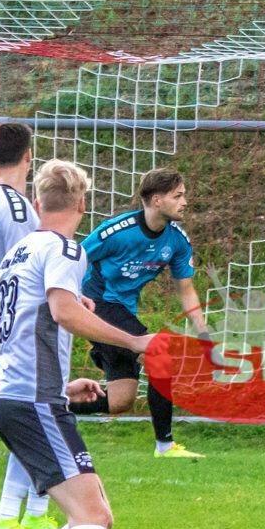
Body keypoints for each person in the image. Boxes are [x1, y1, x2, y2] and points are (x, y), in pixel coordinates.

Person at [0, 159, 162, 529]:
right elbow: (65, 312)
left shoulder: (21, 250)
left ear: (39, 203)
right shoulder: (66, 248)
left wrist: (61, 384)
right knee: (90, 515)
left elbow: (23, 325)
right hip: (31, 401)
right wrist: (134, 341)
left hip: (24, 395)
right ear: (83, 205)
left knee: (95, 517)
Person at [73, 168, 208, 458]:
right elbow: (72, 259)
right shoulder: (116, 232)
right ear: (157, 200)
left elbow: (186, 289)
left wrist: (204, 333)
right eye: (179, 195)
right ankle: (165, 446)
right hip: (97, 303)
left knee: (121, 401)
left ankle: (45, 409)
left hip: (122, 310)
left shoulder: (177, 241)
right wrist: (70, 300)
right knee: (160, 351)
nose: (185, 201)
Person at [0, 122, 57, 529]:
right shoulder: (17, 210)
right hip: (25, 328)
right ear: (30, 155)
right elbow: (30, 270)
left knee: (40, 413)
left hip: (12, 324)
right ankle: (9, 515)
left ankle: (34, 511)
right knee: (34, 415)